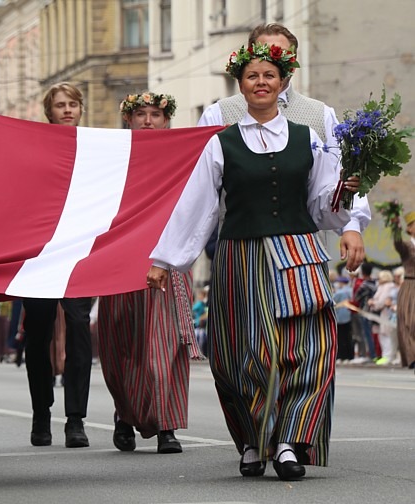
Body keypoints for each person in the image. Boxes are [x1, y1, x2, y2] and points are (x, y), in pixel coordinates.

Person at [147, 42, 360, 480]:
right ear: (240, 86)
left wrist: (347, 204)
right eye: (252, 77)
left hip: (300, 254)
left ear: (283, 83)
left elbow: (323, 206)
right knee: (245, 355)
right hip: (242, 258)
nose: (261, 83)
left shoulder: (309, 138)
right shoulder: (220, 143)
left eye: (269, 76)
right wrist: (166, 260)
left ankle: (286, 442)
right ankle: (252, 439)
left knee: (312, 349)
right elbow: (198, 206)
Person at [0, 83, 93, 447]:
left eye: (73, 104)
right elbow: (6, 170)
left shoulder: (94, 147)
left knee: (78, 328)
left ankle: (76, 419)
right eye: (60, 105)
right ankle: (41, 414)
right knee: (38, 334)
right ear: (49, 111)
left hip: (79, 253)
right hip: (40, 255)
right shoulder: (35, 143)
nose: (68, 110)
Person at [197, 23, 370, 273]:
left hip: (303, 249)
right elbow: (198, 192)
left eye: (279, 55)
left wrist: (351, 226)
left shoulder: (320, 114)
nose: (270, 61)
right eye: (263, 54)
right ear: (247, 58)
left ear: (293, 62)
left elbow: (340, 175)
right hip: (241, 249)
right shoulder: (218, 114)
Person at [98, 92, 200, 454]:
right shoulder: (111, 157)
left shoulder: (184, 157)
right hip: (119, 263)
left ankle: (166, 425)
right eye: (140, 113)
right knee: (122, 345)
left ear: (167, 119)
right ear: (128, 119)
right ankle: (125, 414)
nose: (148, 120)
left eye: (155, 114)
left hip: (169, 263)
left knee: (164, 345)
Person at [393, 211, 415, 372]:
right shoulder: (407, 246)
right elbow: (398, 243)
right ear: (410, 228)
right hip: (410, 286)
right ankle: (412, 356)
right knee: (411, 322)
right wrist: (395, 226)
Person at [369, 270, 397, 365]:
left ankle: (388, 356)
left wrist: (373, 303)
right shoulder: (381, 286)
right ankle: (385, 356)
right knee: (382, 334)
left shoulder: (388, 286)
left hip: (387, 313)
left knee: (387, 334)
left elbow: (382, 301)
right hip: (382, 313)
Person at [333, 276, 355, 362]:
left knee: (341, 338)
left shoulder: (340, 292)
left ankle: (341, 356)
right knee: (348, 337)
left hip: (340, 317)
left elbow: (333, 300)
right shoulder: (350, 290)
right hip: (349, 315)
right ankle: (350, 355)